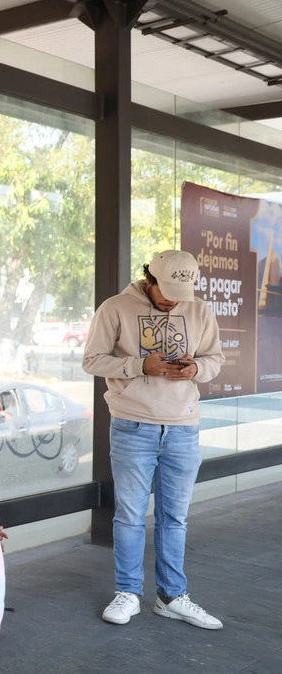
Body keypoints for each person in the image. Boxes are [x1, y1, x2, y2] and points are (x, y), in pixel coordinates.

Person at [82, 250, 225, 630]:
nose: (173, 300)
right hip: (133, 424)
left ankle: (171, 596)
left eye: (182, 292)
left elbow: (215, 359)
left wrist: (196, 368)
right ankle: (128, 592)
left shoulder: (199, 310)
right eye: (167, 290)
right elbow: (92, 360)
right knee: (130, 515)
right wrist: (138, 365)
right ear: (149, 276)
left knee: (174, 518)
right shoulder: (115, 308)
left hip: (182, 426)